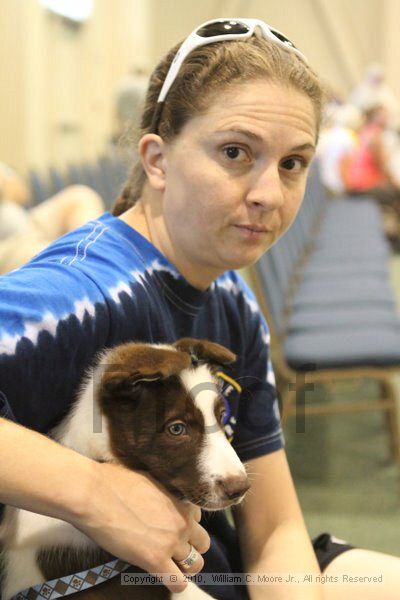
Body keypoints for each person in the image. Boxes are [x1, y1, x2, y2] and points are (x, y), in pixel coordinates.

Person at [1, 17, 399, 600]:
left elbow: (274, 528)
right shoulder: (77, 290)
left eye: (293, 163)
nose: (269, 193)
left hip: (214, 563)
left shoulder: (232, 300)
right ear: (158, 161)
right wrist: (92, 492)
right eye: (236, 152)